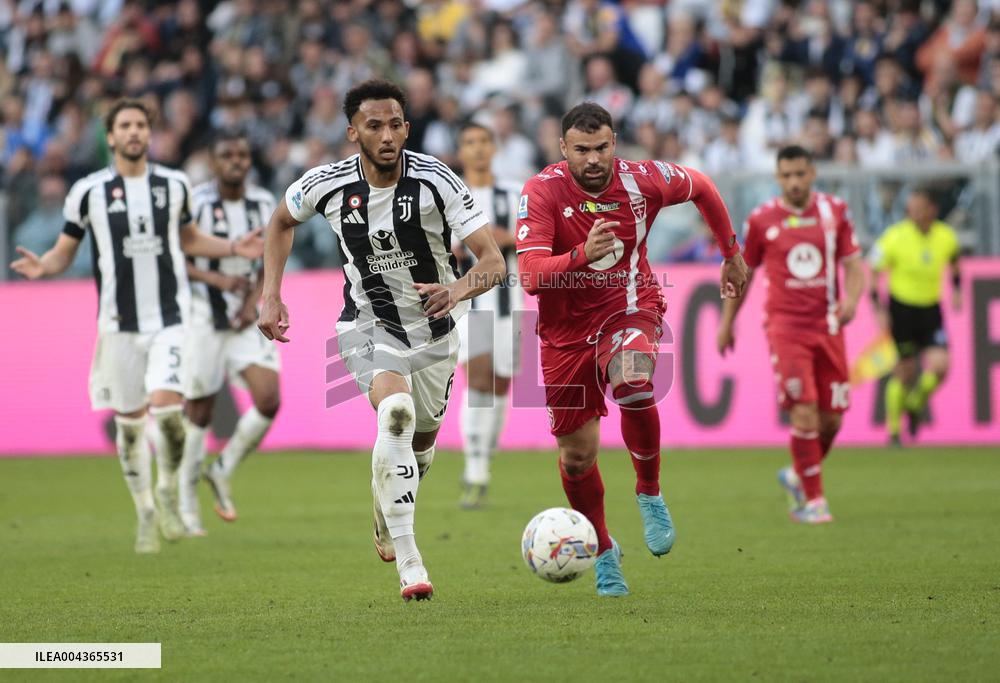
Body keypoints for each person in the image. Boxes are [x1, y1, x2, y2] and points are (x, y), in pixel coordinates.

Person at [257, 80, 505, 601]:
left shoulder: (437, 180)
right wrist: (270, 295)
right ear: (354, 133)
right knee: (394, 412)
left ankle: (384, 503)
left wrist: (456, 289)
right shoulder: (325, 184)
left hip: (437, 332)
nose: (387, 135)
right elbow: (280, 222)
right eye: (374, 126)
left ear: (407, 129)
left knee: (419, 446)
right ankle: (411, 562)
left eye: (395, 125)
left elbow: (493, 262)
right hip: (367, 324)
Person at [9, 99, 263, 553]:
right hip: (117, 325)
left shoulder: (174, 184)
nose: (133, 132)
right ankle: (146, 510)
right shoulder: (87, 191)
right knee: (129, 428)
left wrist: (232, 248)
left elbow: (187, 239)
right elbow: (66, 249)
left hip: (169, 318)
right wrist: (45, 266)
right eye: (124, 126)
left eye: (140, 125)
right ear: (110, 137)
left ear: (149, 133)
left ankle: (167, 490)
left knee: (167, 413)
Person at [516, 102, 748, 597]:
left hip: (630, 306)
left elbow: (702, 186)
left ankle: (649, 491)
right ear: (563, 149)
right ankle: (603, 552)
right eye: (582, 150)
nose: (593, 159)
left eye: (601, 147)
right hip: (563, 335)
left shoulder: (643, 179)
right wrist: (582, 254)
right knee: (577, 459)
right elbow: (531, 276)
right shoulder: (541, 191)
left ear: (614, 142)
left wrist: (731, 253)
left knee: (634, 379)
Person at [717, 145, 864, 524]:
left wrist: (852, 299)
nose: (794, 182)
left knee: (832, 420)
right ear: (778, 178)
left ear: (812, 173)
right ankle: (814, 502)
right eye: (787, 176)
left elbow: (854, 264)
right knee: (804, 411)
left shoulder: (835, 211)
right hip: (786, 327)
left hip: (829, 325)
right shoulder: (762, 220)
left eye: (800, 174)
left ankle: (798, 474)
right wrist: (727, 322)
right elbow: (742, 274)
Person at [179, 130, 281, 535]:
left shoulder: (262, 202)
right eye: (227, 155)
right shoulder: (196, 203)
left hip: (244, 318)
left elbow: (272, 257)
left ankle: (221, 469)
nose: (236, 161)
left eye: (242, 154)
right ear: (213, 160)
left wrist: (252, 299)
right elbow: (176, 256)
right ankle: (186, 503)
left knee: (269, 398)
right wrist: (218, 283)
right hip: (203, 315)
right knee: (200, 410)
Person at [452, 122, 522, 509]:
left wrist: (505, 238)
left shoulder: (514, 193)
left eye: (483, 142)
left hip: (512, 302)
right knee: (477, 379)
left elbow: (536, 236)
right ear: (461, 151)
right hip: (469, 304)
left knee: (499, 387)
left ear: (494, 148)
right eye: (469, 142)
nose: (477, 149)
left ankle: (484, 461)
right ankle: (474, 468)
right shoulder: (451, 194)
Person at [870, 186, 961, 445]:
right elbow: (873, 274)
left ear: (933, 210)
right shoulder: (894, 236)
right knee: (904, 371)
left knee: (942, 366)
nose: (913, 213)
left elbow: (955, 261)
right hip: (902, 311)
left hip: (931, 311)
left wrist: (956, 289)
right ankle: (895, 431)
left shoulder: (946, 236)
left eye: (919, 208)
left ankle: (914, 401)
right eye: (911, 208)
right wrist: (879, 309)